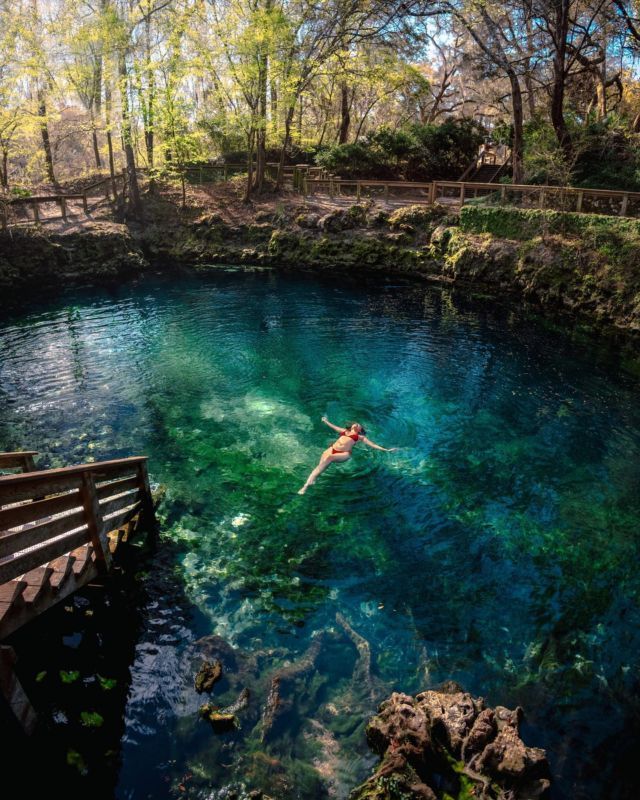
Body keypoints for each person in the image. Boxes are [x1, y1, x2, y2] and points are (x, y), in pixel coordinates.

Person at [297, 416, 398, 494]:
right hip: (332, 449)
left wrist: (386, 450)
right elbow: (333, 427)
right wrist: (325, 421)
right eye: (355, 424)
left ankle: (311, 481)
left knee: (328, 458)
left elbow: (373, 445)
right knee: (320, 466)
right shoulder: (344, 431)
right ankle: (307, 484)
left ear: (360, 429)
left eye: (358, 425)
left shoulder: (359, 437)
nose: (356, 424)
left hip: (344, 454)